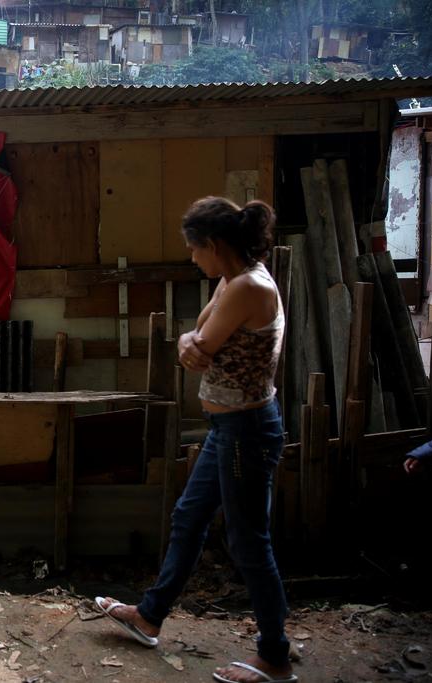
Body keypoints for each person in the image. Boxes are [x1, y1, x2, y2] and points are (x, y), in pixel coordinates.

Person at [94, 197, 296, 683]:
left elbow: (198, 347)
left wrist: (192, 343)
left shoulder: (247, 286)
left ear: (214, 244)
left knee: (248, 543)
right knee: (189, 517)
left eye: (193, 248)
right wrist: (190, 342)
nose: (191, 257)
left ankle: (275, 656)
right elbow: (194, 339)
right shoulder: (232, 279)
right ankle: (149, 616)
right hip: (229, 429)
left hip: (247, 432)